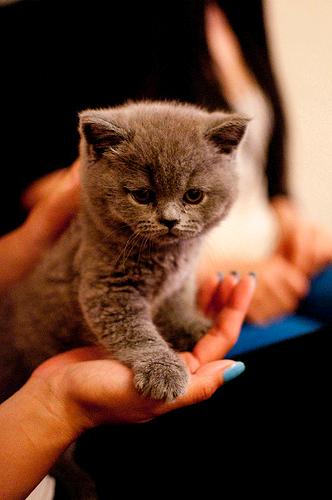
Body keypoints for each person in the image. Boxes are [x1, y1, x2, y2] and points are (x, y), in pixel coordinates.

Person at [0, 0, 331, 496]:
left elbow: (259, 147)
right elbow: (37, 178)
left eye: (187, 199)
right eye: (153, 198)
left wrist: (290, 211)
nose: (173, 215)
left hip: (259, 244)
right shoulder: (87, 23)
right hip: (207, 265)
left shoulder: (243, 9)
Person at [0, 163, 256, 498]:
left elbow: (171, 283)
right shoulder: (106, 232)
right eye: (144, 195)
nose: (169, 215)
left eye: (192, 196)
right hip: (31, 358)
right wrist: (57, 403)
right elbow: (109, 295)